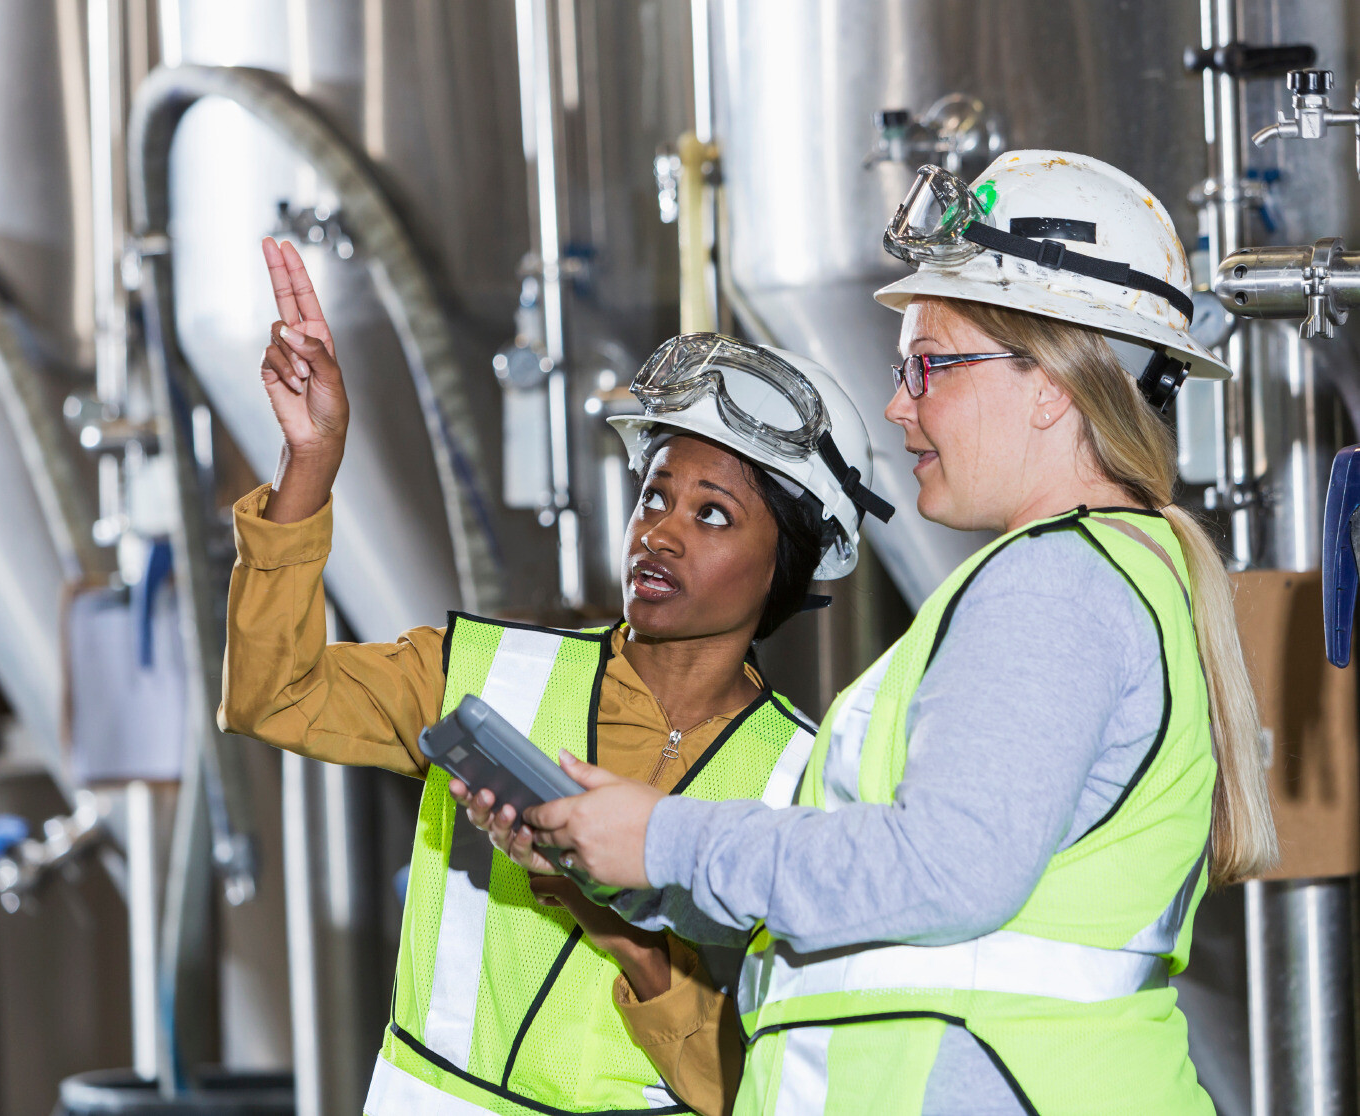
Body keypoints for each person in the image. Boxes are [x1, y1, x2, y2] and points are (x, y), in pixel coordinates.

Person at [518, 151, 1280, 1115]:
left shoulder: (1054, 583)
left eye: (929, 365)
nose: (896, 405)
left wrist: (665, 839)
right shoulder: (1091, 575)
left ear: (1051, 385)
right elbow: (887, 916)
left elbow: (945, 872)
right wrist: (622, 857)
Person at [218, 240, 893, 1115]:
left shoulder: (808, 786)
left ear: (786, 566)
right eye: (654, 496)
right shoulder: (487, 673)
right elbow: (274, 695)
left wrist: (618, 924)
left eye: (712, 514)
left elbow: (763, 1092)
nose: (660, 534)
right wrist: (309, 463)